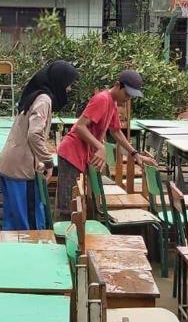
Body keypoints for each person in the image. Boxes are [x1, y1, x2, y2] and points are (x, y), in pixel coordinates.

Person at [56, 70, 156, 218]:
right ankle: (64, 231)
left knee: (79, 201)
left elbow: (116, 132)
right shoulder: (102, 99)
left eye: (131, 96)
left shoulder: (112, 103)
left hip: (83, 156)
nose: (128, 99)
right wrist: (100, 146)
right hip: (71, 154)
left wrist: (135, 154)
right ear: (117, 85)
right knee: (68, 205)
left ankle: (79, 228)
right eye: (126, 94)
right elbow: (80, 127)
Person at [0, 60, 78, 230]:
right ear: (59, 81)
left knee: (14, 224)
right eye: (67, 85)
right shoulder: (44, 100)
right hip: (21, 169)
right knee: (29, 226)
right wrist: (48, 161)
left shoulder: (35, 95)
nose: (68, 89)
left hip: (11, 165)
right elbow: (34, 134)